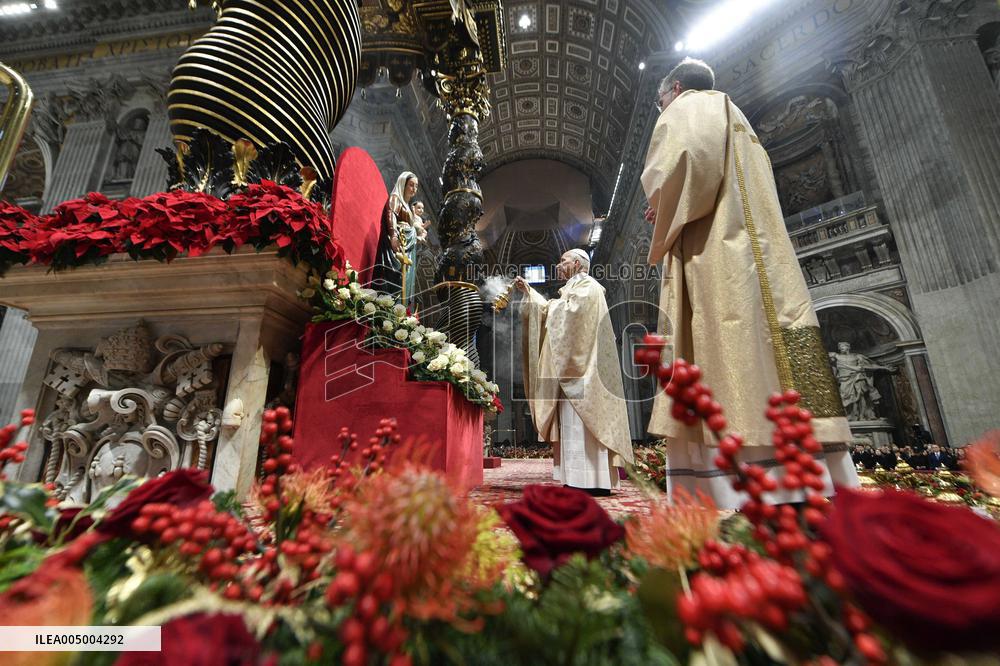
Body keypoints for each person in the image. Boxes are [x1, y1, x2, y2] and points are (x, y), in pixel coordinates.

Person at [641, 57, 857, 508]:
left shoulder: (687, 108)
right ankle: (808, 478)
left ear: (675, 88)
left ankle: (733, 488)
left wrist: (661, 208)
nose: (661, 109)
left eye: (660, 101)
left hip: (717, 251)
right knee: (778, 341)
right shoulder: (738, 118)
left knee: (726, 343)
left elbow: (683, 167)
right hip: (764, 257)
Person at [515, 249, 634, 495]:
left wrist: (543, 302)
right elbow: (554, 311)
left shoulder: (588, 287)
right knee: (572, 425)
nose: (558, 265)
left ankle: (591, 480)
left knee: (582, 424)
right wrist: (530, 293)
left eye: (563, 261)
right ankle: (577, 479)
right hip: (574, 374)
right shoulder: (574, 289)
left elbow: (567, 319)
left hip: (584, 374)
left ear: (577, 263)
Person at [373, 172, 419, 304]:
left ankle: (399, 310)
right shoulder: (396, 198)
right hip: (398, 245)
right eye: (411, 185)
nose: (414, 189)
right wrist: (393, 235)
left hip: (408, 249)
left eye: (416, 186)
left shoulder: (409, 208)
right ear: (403, 184)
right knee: (396, 277)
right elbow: (391, 215)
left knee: (405, 279)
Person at [829, 342, 895, 421]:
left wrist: (884, 367)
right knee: (844, 397)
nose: (841, 348)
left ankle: (862, 415)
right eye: (840, 347)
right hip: (844, 380)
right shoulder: (836, 356)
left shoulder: (857, 356)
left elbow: (868, 366)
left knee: (861, 397)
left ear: (848, 347)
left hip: (858, 378)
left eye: (843, 346)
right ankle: (849, 415)